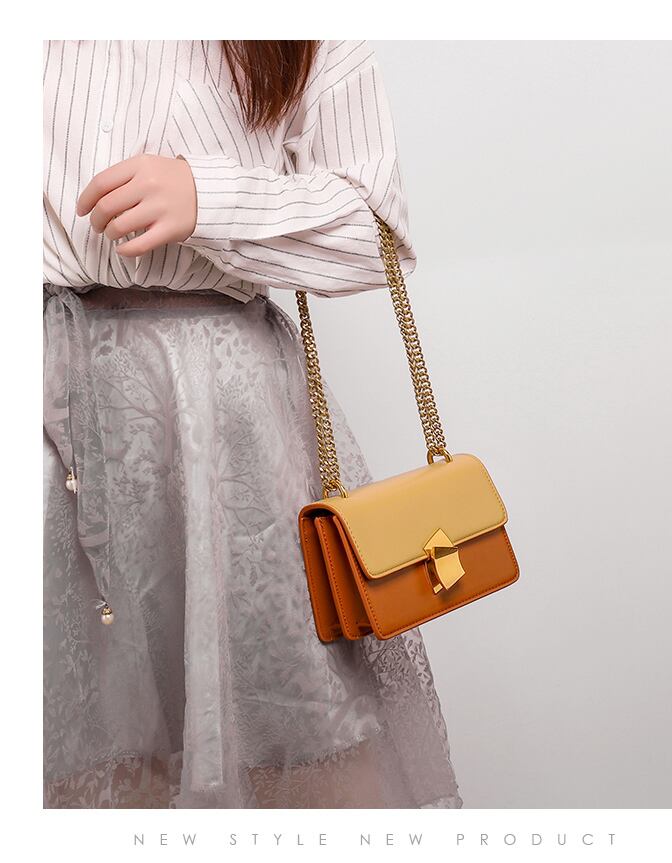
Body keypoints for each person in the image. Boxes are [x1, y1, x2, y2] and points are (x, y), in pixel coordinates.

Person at [43, 39, 462, 808]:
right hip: (42, 396)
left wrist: (211, 199)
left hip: (221, 415)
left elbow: (377, 231)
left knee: (292, 735)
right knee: (69, 735)